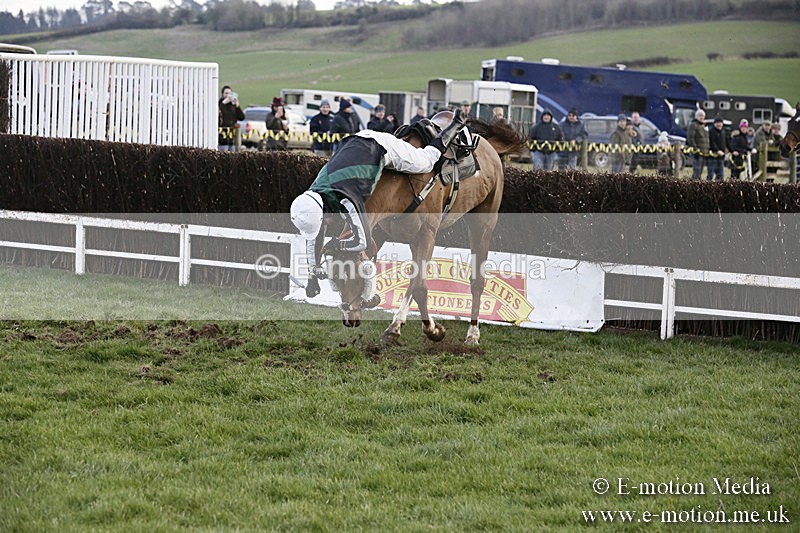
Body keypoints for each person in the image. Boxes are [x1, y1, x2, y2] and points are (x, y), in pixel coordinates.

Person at [290, 111, 469, 298]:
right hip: (356, 141)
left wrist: (336, 244)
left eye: (324, 222)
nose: (325, 225)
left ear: (322, 213)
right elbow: (312, 238)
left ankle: (456, 124)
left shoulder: (348, 201)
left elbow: (363, 241)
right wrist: (312, 274)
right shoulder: (310, 197)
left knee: (426, 162)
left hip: (383, 147)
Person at [218, 85, 244, 151]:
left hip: (232, 137)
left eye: (230, 93)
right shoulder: (220, 104)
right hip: (222, 137)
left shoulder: (233, 105)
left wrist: (237, 106)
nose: (228, 95)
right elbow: (217, 113)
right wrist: (223, 103)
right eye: (226, 93)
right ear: (222, 94)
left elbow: (241, 117)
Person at [686, 109, 709, 180]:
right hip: (697, 152)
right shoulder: (693, 125)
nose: (702, 117)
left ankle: (697, 185)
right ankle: (694, 185)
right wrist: (696, 149)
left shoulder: (703, 126)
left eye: (703, 116)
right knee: (697, 171)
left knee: (700, 171)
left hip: (703, 152)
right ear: (696, 116)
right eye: (700, 116)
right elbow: (691, 138)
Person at [707, 116, 728, 181]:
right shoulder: (711, 132)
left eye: (720, 123)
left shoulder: (723, 132)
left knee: (720, 176)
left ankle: (718, 190)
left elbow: (726, 142)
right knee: (710, 175)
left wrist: (731, 150)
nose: (719, 124)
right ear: (714, 124)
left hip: (721, 157)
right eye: (717, 123)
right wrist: (717, 150)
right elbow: (711, 143)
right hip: (713, 157)